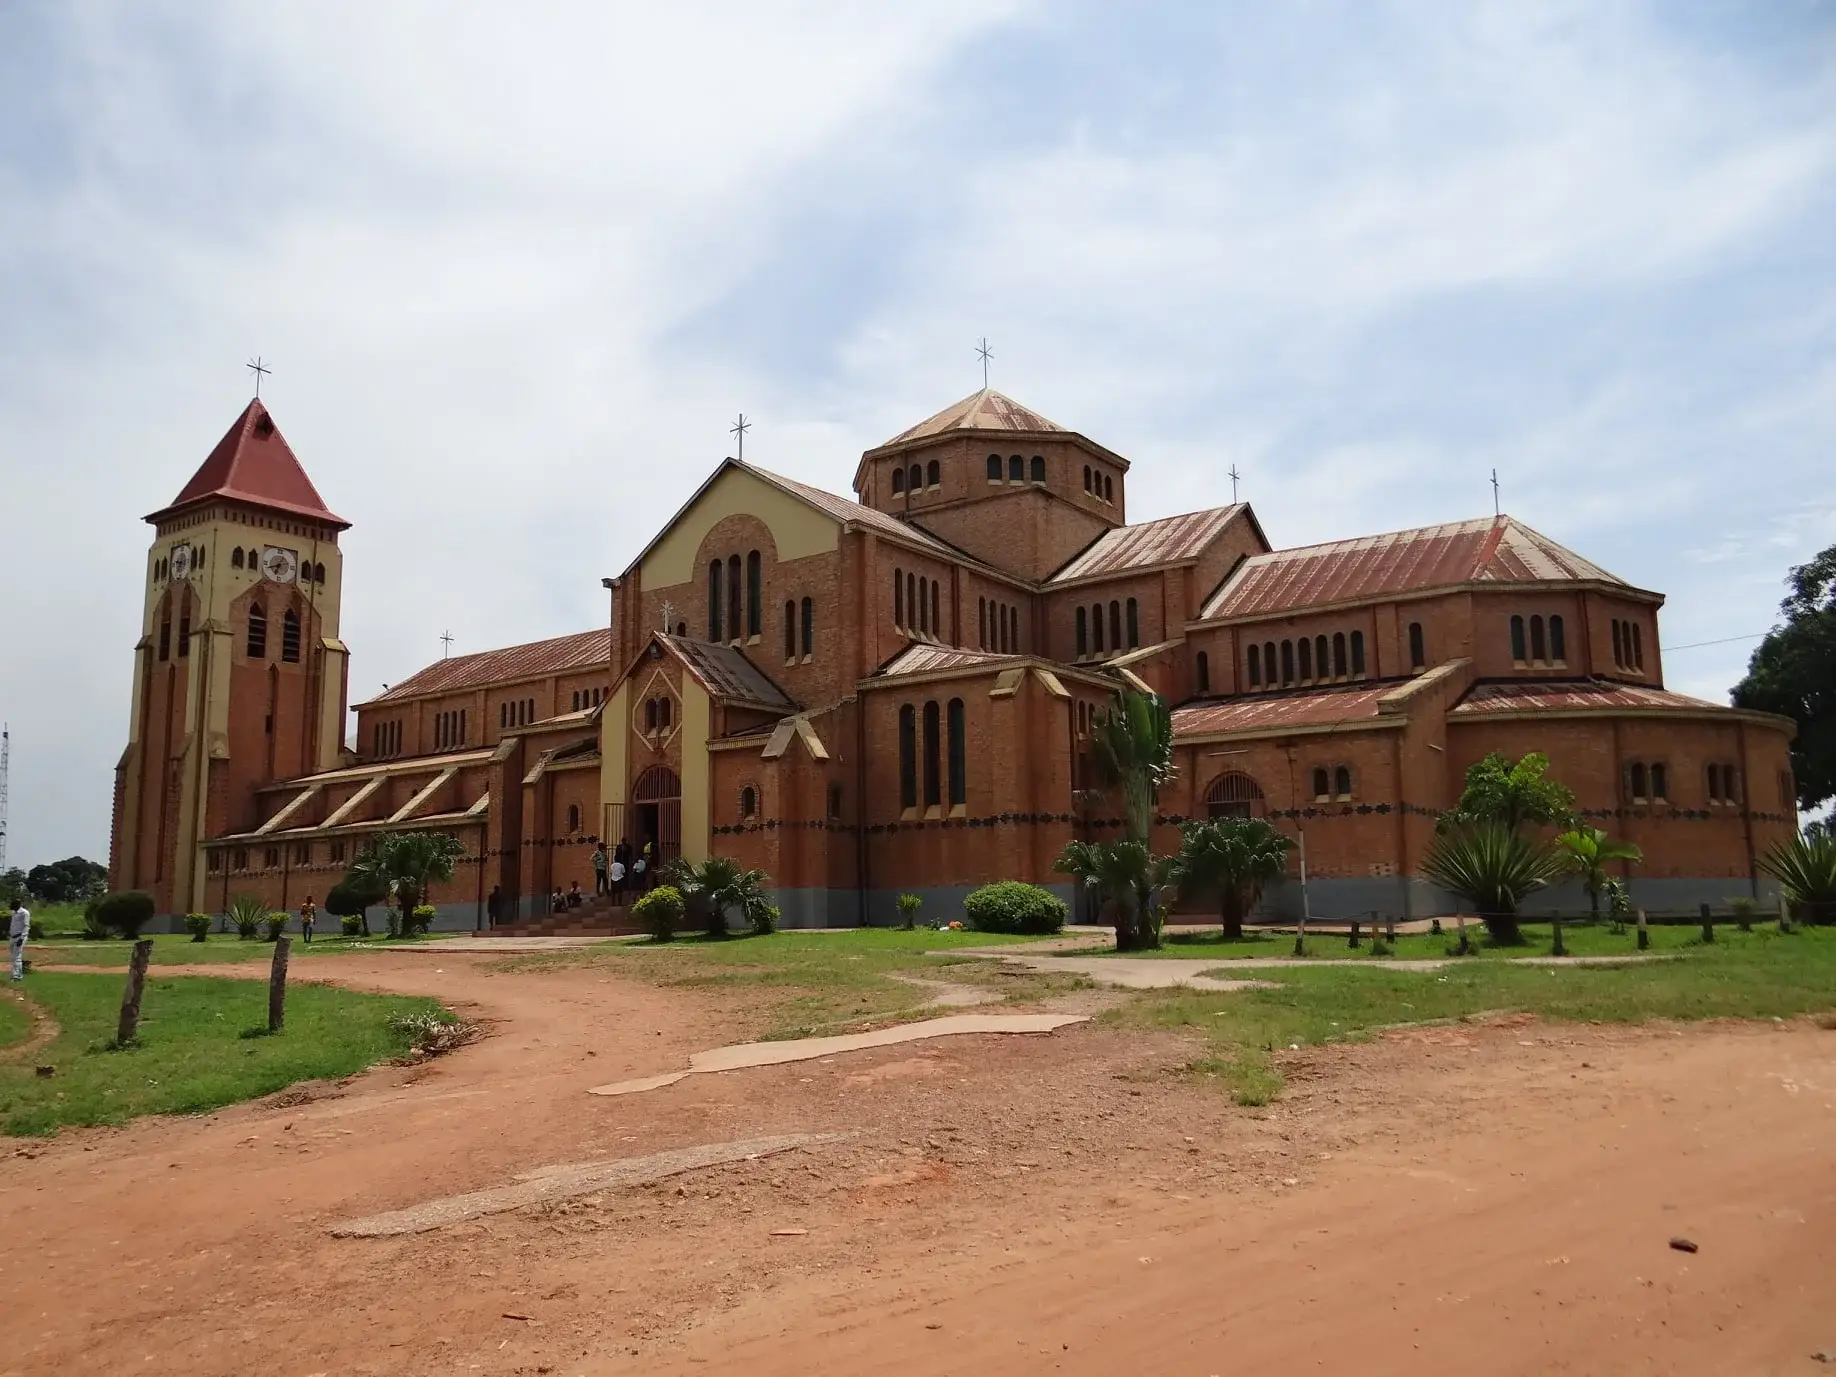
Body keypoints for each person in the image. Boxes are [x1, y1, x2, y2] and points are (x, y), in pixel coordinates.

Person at [8, 899, 28, 981]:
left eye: (12, 904)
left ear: (17, 905)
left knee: (17, 957)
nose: (10, 906)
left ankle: (17, 976)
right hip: (12, 937)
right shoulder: (14, 912)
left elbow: (26, 926)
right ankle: (15, 974)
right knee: (14, 957)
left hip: (19, 937)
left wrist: (22, 938)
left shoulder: (24, 913)